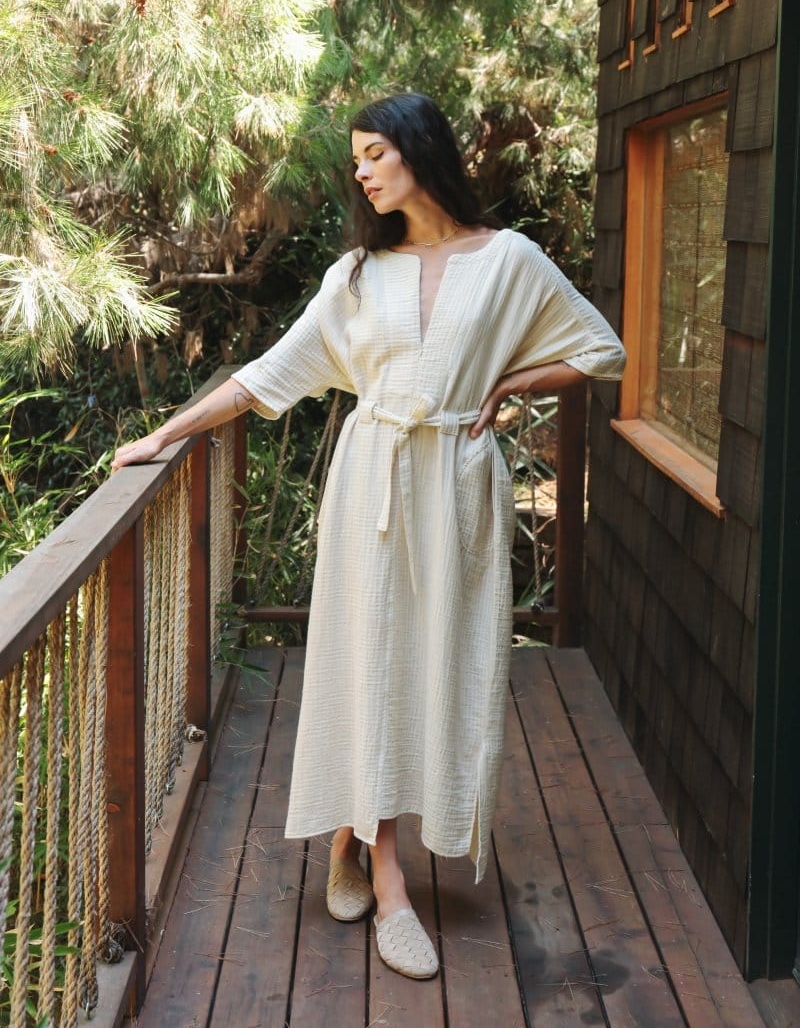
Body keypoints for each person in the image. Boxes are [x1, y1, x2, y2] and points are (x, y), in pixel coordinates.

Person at [111, 92, 625, 981]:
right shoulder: (356, 275)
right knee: (377, 663)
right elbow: (269, 374)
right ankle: (390, 883)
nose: (361, 172)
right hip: (373, 482)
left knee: (441, 664)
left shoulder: (509, 259)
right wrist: (166, 433)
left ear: (419, 148)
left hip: (458, 486)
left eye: (374, 152)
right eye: (355, 159)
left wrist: (508, 384)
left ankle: (348, 838)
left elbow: (600, 350)